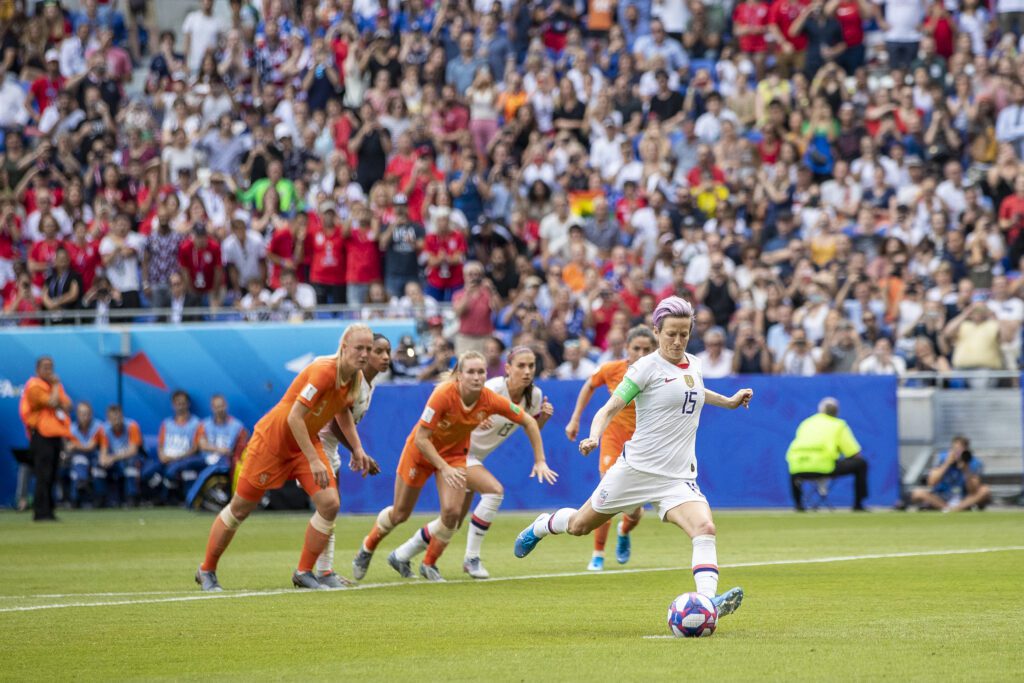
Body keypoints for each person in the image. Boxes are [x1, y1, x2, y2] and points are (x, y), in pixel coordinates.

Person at [512, 297, 751, 620]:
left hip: (677, 477)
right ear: (657, 332)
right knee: (581, 526)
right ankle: (543, 525)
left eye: (684, 333)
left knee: (705, 527)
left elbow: (694, 392)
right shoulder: (644, 368)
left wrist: (730, 401)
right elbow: (608, 408)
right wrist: (594, 435)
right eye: (671, 334)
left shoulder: (693, 363)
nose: (678, 341)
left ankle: (708, 602)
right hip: (635, 470)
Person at [196, 325, 376, 591]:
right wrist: (314, 460)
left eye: (368, 349)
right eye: (359, 348)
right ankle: (206, 570)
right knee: (240, 509)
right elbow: (294, 416)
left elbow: (342, 413)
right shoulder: (324, 371)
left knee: (329, 503)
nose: (364, 354)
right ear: (344, 347)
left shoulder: (355, 378)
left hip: (305, 441)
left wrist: (357, 448)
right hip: (273, 442)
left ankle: (304, 572)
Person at [352, 350, 552, 583]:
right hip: (421, 453)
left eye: (481, 372)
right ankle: (368, 548)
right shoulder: (443, 394)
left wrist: (540, 459)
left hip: (457, 455)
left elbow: (528, 420)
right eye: (471, 372)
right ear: (459, 375)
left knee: (452, 514)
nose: (477, 377)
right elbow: (421, 438)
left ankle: (427, 562)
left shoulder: (491, 398)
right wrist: (443, 468)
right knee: (400, 514)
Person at [564, 326, 657, 571]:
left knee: (635, 511)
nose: (641, 353)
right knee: (606, 494)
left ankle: (624, 530)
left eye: (647, 349)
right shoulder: (611, 369)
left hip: (642, 444)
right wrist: (575, 419)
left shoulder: (660, 373)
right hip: (614, 439)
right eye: (636, 348)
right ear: (627, 349)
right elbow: (589, 385)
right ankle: (598, 554)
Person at [313, 334, 392, 588]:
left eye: (387, 352)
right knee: (329, 506)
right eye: (378, 351)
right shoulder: (353, 381)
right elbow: (336, 422)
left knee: (330, 508)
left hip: (329, 448)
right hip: (314, 444)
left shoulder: (369, 384)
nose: (385, 357)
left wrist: (355, 451)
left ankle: (324, 571)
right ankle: (320, 572)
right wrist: (358, 452)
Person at [785, 397, 869, 511]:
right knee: (861, 464)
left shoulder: (806, 423)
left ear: (820, 410)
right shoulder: (838, 425)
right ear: (837, 411)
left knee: (794, 469)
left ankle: (798, 505)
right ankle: (858, 505)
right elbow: (853, 453)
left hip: (798, 467)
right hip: (825, 467)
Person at [19, 356, 72, 521]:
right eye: (45, 367)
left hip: (55, 435)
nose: (49, 371)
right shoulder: (34, 386)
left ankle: (49, 511)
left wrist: (56, 394)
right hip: (41, 436)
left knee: (53, 474)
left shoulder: (54, 386)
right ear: (38, 370)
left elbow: (68, 405)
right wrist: (55, 388)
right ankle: (40, 512)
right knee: (43, 474)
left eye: (51, 367)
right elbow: (52, 402)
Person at [909, 435, 992, 512]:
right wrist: (947, 464)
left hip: (963, 498)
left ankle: (956, 508)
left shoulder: (973, 462)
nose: (958, 453)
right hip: (941, 497)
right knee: (917, 493)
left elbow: (973, 490)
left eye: (961, 450)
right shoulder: (942, 458)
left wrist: (966, 470)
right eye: (956, 449)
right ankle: (947, 508)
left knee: (985, 490)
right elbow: (931, 482)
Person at [145, 390, 202, 502]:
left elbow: (196, 448)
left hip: (184, 459)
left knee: (171, 472)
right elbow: (160, 445)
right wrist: (162, 456)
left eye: (183, 403)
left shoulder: (196, 423)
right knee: (146, 473)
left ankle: (171, 498)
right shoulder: (167, 423)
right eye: (177, 403)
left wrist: (177, 458)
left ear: (188, 404)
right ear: (173, 405)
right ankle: (155, 498)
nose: (180, 406)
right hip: (166, 459)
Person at [96, 404, 144, 508]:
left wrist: (113, 458)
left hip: (130, 458)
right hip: (115, 460)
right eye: (113, 419)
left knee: (131, 464)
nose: (116, 421)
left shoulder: (132, 426)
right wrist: (103, 460)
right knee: (98, 466)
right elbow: (103, 450)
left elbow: (133, 451)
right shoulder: (104, 429)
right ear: (108, 419)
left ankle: (132, 498)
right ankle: (100, 499)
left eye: (118, 417)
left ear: (122, 416)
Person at [66, 401, 105, 507]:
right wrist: (72, 447)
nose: (85, 417)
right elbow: (68, 447)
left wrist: (75, 445)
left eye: (87, 413)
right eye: (82, 414)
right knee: (78, 461)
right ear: (78, 415)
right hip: (78, 460)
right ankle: (75, 499)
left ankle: (99, 500)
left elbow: (90, 447)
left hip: (95, 458)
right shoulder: (71, 428)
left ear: (91, 414)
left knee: (97, 470)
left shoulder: (98, 426)